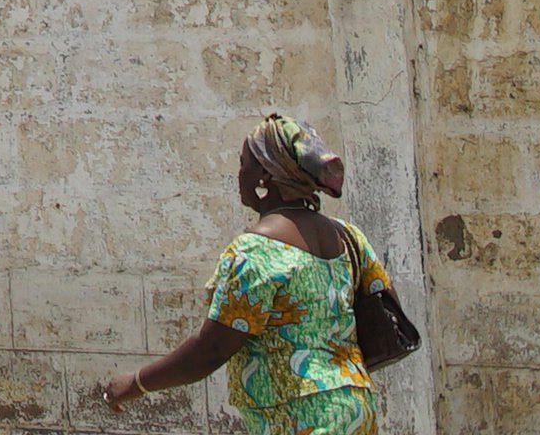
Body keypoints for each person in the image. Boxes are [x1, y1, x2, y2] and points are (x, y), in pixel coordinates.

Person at [98, 113, 399, 431]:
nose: (240, 173)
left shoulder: (255, 252)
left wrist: (137, 382)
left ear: (265, 176)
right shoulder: (348, 237)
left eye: (245, 163)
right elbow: (388, 305)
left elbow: (213, 348)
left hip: (297, 413)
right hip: (354, 405)